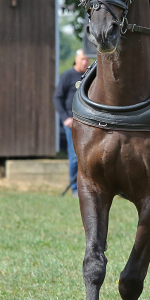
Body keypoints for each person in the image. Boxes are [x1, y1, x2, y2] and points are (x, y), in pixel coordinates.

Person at [53, 49, 91, 196]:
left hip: (88, 122)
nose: (84, 62)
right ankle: (75, 189)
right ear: (76, 59)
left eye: (86, 59)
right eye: (82, 59)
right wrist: (65, 118)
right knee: (75, 156)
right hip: (72, 122)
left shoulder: (90, 75)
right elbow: (57, 98)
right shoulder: (68, 75)